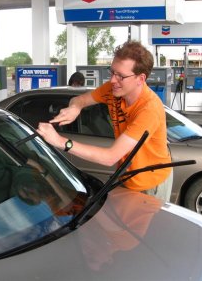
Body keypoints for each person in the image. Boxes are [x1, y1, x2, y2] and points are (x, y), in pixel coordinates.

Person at [36, 41, 173, 202]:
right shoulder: (113, 88)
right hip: (126, 175)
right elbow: (79, 99)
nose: (113, 80)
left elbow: (110, 157)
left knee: (139, 228)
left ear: (140, 78)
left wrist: (60, 141)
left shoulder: (148, 109)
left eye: (120, 76)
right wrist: (75, 108)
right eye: (112, 72)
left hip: (150, 182)